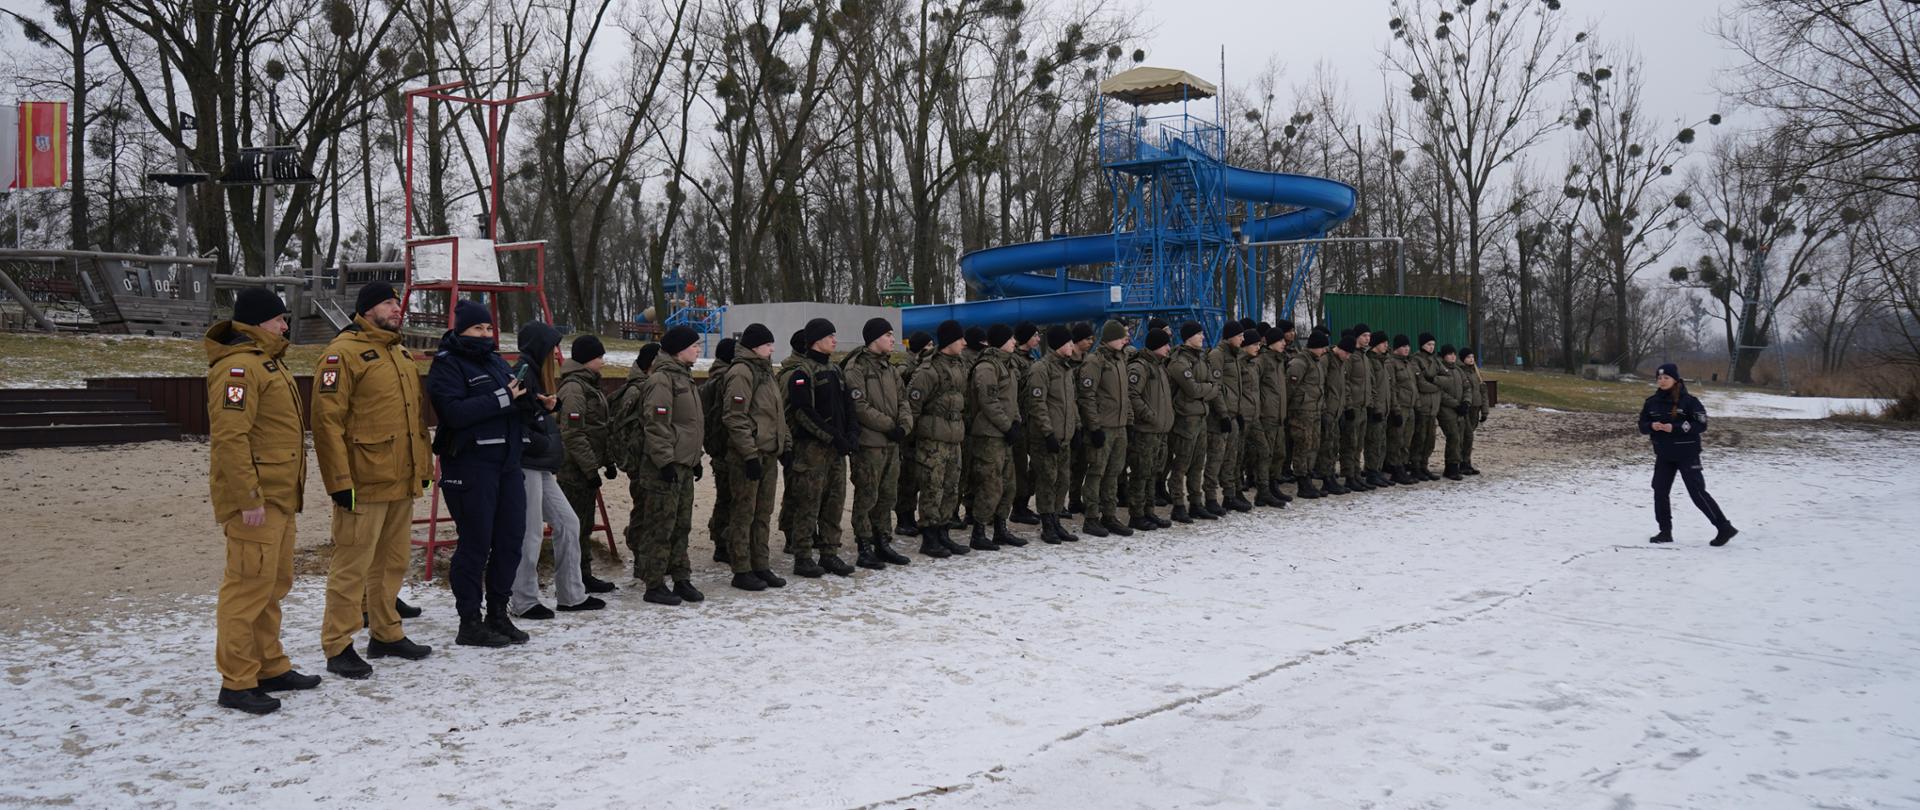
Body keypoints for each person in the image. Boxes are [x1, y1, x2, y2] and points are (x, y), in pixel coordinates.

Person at [310, 280, 435, 681]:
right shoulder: (342, 354)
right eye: (387, 303)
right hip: (362, 482)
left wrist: (423, 467)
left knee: (392, 562)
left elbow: (415, 419)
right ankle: (338, 644)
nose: (396, 308)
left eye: (397, 302)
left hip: (400, 478)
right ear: (366, 310)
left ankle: (386, 633)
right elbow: (326, 423)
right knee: (352, 566)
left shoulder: (398, 352)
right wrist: (338, 481)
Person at [205, 289, 318, 715]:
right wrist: (248, 498)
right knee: (247, 590)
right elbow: (230, 438)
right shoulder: (237, 367)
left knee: (272, 586)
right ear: (256, 322)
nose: (285, 326)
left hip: (280, 496)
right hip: (257, 501)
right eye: (278, 319)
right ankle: (237, 682)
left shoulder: (267, 361)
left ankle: (269, 666)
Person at [426, 300, 530, 648]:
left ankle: (498, 614)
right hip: (471, 465)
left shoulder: (495, 361)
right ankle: (469, 621)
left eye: (488, 328)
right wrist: (503, 398)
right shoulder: (447, 364)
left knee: (510, 541)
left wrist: (537, 404)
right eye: (477, 328)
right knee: (476, 544)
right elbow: (453, 412)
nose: (485, 334)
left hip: (508, 464)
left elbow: (513, 399)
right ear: (461, 330)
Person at [507, 321, 602, 620]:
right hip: (528, 462)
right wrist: (538, 432)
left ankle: (571, 594)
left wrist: (546, 408)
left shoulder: (536, 374)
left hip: (542, 463)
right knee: (531, 532)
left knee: (568, 522)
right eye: (552, 347)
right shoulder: (523, 372)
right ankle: (523, 599)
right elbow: (515, 416)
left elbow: (529, 412)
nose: (556, 353)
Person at [628, 326, 709, 604]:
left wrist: (695, 459)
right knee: (660, 526)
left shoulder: (684, 377)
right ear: (679, 350)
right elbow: (657, 425)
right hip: (665, 467)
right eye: (694, 345)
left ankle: (681, 577)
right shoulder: (661, 380)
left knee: (681, 525)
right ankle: (654, 583)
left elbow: (689, 425)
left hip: (684, 464)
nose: (698, 349)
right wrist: (664, 462)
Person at [782, 318, 858, 577]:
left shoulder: (835, 370)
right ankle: (803, 556)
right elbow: (803, 412)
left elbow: (848, 405)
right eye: (830, 336)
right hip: (811, 450)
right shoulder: (802, 372)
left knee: (834, 502)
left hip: (836, 450)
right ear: (816, 340)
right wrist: (832, 436)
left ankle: (829, 553)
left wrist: (851, 432)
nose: (835, 340)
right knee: (808, 503)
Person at [718, 323, 789, 591]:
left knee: (763, 512)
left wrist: (785, 445)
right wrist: (749, 455)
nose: (772, 348)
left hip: (768, 453)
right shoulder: (741, 372)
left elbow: (777, 414)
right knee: (744, 512)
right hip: (748, 455)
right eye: (768, 344)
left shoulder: (765, 371)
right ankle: (742, 568)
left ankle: (760, 564)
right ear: (755, 346)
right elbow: (735, 417)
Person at [843, 318, 914, 568]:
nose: (893, 340)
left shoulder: (890, 369)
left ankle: (882, 540)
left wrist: (904, 425)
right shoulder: (856, 368)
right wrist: (889, 426)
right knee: (867, 495)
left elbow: (904, 400)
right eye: (888, 335)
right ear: (874, 338)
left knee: (887, 494)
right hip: (869, 444)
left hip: (891, 444)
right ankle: (864, 545)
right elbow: (859, 406)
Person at [1640, 364, 1737, 546]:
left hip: (1687, 454)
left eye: (1666, 378)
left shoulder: (1690, 401)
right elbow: (1642, 425)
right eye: (1659, 378)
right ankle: (1665, 532)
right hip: (1664, 455)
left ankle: (1724, 527)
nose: (1662, 381)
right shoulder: (1651, 402)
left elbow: (1701, 425)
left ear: (1675, 380)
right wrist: (1651, 426)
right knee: (1660, 491)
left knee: (1697, 492)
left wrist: (1674, 427)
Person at [555, 334, 620, 594]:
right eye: (599, 357)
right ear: (587, 359)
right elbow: (573, 433)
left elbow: (598, 428)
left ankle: (583, 574)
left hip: (585, 468)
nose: (603, 362)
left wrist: (607, 461)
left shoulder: (589, 385)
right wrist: (590, 469)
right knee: (575, 527)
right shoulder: (574, 389)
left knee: (584, 525)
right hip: (575, 471)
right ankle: (574, 579)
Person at [908, 319, 972, 557]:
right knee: (932, 488)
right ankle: (929, 537)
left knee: (951, 487)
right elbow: (913, 406)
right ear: (949, 341)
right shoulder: (928, 371)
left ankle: (944, 532)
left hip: (954, 437)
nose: (964, 343)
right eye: (960, 338)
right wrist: (912, 439)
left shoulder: (959, 366)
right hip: (932, 439)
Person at [967, 323, 1027, 549]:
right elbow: (989, 402)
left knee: (1009, 485)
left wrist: (1016, 422)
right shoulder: (987, 367)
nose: (1014, 342)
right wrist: (1007, 426)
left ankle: (1001, 528)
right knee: (990, 485)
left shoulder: (1008, 365)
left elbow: (1011, 400)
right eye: (1011, 338)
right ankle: (979, 532)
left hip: (1004, 434)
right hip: (989, 435)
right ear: (1001, 341)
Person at [1078, 320, 1135, 537]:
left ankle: (1109, 515)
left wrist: (1129, 421)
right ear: (1110, 338)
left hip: (1119, 427)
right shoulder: (1095, 361)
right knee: (1096, 472)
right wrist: (1094, 427)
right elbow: (1087, 396)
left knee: (1114, 473)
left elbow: (1125, 396)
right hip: (1103, 427)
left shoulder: (1120, 360)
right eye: (1121, 337)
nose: (1125, 340)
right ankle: (1091, 517)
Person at [1027, 325, 1081, 543]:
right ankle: (1047, 523)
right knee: (1047, 481)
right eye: (1069, 342)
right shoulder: (1041, 369)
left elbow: (1072, 403)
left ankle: (1056, 518)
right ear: (1060, 344)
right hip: (1047, 438)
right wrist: (1048, 433)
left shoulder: (1066, 369)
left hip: (1065, 436)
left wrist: (1077, 427)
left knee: (1062, 481)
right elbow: (1037, 404)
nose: (1072, 346)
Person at [1166, 322, 1217, 522]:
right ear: (1189, 337)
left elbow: (1214, 387)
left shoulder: (1201, 358)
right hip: (1185, 419)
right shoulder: (1179, 361)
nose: (1202, 337)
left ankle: (1196, 503)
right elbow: (1193, 390)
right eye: (1199, 334)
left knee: (1197, 464)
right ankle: (1178, 505)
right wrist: (1207, 389)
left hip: (1201, 417)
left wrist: (1206, 389)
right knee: (1181, 464)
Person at [1125, 329, 1174, 531]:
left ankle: (1149, 511)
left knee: (1153, 473)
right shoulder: (1140, 367)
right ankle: (1136, 515)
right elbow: (1131, 394)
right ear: (1156, 345)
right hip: (1145, 431)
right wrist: (1149, 415)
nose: (1169, 348)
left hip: (1159, 431)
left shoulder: (1159, 367)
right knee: (1141, 474)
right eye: (1165, 344)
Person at [892, 331, 933, 539]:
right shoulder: (906, 365)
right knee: (907, 478)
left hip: (915, 428)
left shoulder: (917, 364)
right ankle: (903, 518)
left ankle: (909, 516)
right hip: (907, 429)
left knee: (914, 477)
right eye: (929, 344)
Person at [1204, 321, 1246, 515]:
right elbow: (1217, 388)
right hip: (1219, 418)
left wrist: (1238, 413)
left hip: (1233, 414)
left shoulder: (1235, 355)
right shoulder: (1217, 355)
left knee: (1231, 458)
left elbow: (1236, 388)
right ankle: (1210, 498)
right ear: (1230, 337)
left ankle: (1230, 495)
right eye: (1239, 336)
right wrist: (1223, 414)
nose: (1242, 339)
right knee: (1216, 459)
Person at [701, 339, 735, 563]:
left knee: (725, 497)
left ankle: (721, 541)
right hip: (725, 446)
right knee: (729, 498)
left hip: (717, 446)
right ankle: (723, 542)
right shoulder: (724, 380)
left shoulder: (714, 378)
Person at [1286, 331, 1329, 499]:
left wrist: (1322, 409)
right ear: (1314, 347)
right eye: (1322, 347)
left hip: (1314, 411)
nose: (1324, 351)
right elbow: (1289, 388)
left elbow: (1319, 389)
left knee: (1313, 445)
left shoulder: (1316, 362)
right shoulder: (1299, 363)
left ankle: (1308, 477)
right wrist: (1290, 410)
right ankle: (1302, 481)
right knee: (1302, 446)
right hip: (1301, 412)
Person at [1008, 321, 1043, 526]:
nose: (1038, 339)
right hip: (1019, 421)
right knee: (1020, 467)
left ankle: (1024, 501)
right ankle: (1018, 507)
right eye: (1035, 335)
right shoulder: (1015, 361)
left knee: (1036, 464)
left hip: (1031, 420)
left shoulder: (1031, 359)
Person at [1255, 326, 1291, 507]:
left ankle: (1273, 484)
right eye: (1280, 340)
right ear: (1271, 342)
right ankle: (1263, 491)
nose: (1284, 343)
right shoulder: (1262, 361)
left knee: (1279, 453)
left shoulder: (1279, 361)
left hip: (1279, 416)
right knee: (1266, 455)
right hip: (1267, 416)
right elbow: (1254, 388)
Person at [1339, 327, 1374, 493]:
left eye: (1369, 336)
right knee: (1350, 444)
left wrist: (1370, 403)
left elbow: (1369, 383)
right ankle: (1349, 476)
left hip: (1363, 407)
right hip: (1353, 407)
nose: (1368, 339)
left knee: (1359, 444)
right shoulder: (1351, 356)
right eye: (1364, 335)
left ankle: (1356, 474)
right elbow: (1345, 382)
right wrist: (1348, 405)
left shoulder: (1364, 357)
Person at [1315, 332, 1350, 496]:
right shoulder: (1326, 360)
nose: (1348, 357)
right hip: (1327, 411)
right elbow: (1320, 386)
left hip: (1336, 411)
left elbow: (1341, 388)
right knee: (1326, 447)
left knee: (1334, 446)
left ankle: (1330, 476)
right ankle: (1326, 479)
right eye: (1347, 353)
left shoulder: (1340, 362)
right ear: (1340, 349)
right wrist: (1323, 409)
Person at [1386, 335, 1419, 484]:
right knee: (1396, 439)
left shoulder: (1408, 363)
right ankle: (1395, 468)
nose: (1407, 349)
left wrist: (1417, 404)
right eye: (1403, 346)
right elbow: (1391, 388)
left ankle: (1403, 466)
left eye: (1408, 346)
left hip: (1410, 406)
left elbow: (1413, 386)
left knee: (1407, 439)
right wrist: (1395, 409)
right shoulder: (1391, 363)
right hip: (1400, 406)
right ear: (1396, 348)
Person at [1364, 330, 1395, 488]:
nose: (1386, 346)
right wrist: (1375, 407)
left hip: (1385, 408)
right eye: (1383, 343)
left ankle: (1378, 470)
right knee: (1373, 442)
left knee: (1382, 442)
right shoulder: (1371, 361)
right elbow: (1372, 387)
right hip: (1376, 409)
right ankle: (1371, 472)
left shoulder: (1383, 361)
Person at [1411, 333, 1443, 480]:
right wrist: (1438, 387)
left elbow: (1447, 377)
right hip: (1423, 406)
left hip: (1434, 407)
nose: (1431, 347)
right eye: (1429, 344)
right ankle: (1415, 466)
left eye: (1433, 344)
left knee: (1430, 441)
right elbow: (1421, 384)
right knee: (1419, 438)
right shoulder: (1416, 360)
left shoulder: (1435, 360)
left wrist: (1435, 380)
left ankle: (1424, 465)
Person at [1434, 344, 1467, 481]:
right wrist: (1456, 404)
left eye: (1454, 354)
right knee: (1453, 436)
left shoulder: (1458, 370)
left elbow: (1467, 387)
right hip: (1446, 409)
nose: (1452, 356)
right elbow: (1440, 392)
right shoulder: (1440, 370)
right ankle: (1452, 467)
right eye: (1449, 354)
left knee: (1460, 437)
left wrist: (1466, 402)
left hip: (1460, 409)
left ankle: (1454, 465)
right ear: (1444, 356)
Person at [1459, 348, 1487, 475]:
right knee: (1466, 436)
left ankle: (1467, 462)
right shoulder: (1461, 372)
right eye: (1468, 357)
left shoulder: (1476, 372)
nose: (1471, 359)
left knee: (1469, 437)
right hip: (1466, 408)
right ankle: (1462, 462)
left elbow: (1483, 391)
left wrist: (1485, 411)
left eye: (1472, 357)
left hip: (1476, 407)